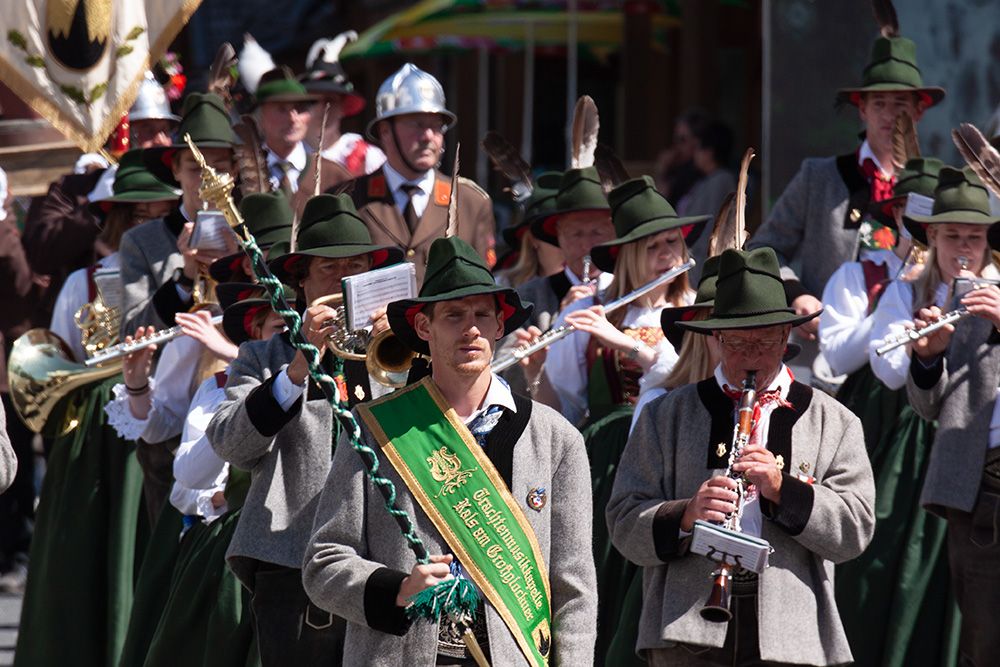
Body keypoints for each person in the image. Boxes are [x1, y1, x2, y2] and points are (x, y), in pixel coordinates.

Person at [302, 235, 597, 665]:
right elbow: (323, 563)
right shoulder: (373, 428)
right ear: (424, 328)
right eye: (454, 315)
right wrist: (397, 589)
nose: (471, 328)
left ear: (501, 326)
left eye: (482, 314)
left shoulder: (557, 440)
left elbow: (574, 590)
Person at [607, 246, 875, 666]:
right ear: (715, 338)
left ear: (786, 337)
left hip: (792, 633)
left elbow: (855, 530)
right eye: (737, 342)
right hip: (685, 628)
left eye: (765, 340)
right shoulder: (666, 415)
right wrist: (686, 514)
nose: (751, 354)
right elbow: (623, 522)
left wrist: (781, 490)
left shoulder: (835, 420)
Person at [206, 193, 403, 665]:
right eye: (329, 270)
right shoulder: (262, 357)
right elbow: (232, 444)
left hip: (384, 557)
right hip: (292, 554)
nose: (344, 280)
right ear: (300, 281)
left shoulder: (397, 352)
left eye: (356, 267)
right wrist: (296, 372)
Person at [747, 30, 944, 384]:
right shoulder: (820, 176)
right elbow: (763, 249)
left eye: (900, 104)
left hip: (912, 352)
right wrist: (797, 296)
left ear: (919, 111)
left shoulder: (939, 187)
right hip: (828, 354)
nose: (889, 115)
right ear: (862, 110)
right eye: (879, 103)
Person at [901, 168, 1000, 667]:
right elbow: (929, 407)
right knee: (982, 633)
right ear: (934, 239)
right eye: (954, 236)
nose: (965, 247)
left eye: (975, 237)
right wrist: (926, 358)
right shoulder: (938, 304)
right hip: (979, 484)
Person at [341, 63, 495, 283]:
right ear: (385, 131)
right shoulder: (350, 199)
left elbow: (483, 289)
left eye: (437, 126)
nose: (428, 136)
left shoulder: (470, 202)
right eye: (418, 125)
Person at [298, 31, 385, 192]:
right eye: (312, 101)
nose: (322, 108)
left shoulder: (369, 157)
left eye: (330, 100)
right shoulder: (290, 158)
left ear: (343, 106)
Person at [678, 121, 736, 280]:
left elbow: (711, 228)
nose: (694, 154)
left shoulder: (721, 181)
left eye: (697, 148)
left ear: (709, 152)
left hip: (704, 265)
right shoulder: (707, 181)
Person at [254, 67, 319, 195]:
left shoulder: (331, 174)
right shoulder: (240, 177)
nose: (293, 119)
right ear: (260, 117)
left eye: (299, 109)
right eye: (282, 109)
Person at [494, 171, 564, 289]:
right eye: (555, 232)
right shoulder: (501, 289)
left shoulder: (601, 289)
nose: (569, 244)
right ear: (533, 239)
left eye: (577, 233)